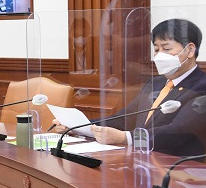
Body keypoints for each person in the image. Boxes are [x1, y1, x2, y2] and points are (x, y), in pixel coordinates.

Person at [52, 18, 206, 156]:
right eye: (156, 49)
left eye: (166, 49)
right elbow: (127, 117)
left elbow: (179, 132)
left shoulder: (201, 86)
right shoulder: (156, 83)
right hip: (141, 160)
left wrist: (126, 138)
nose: (159, 56)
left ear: (190, 50)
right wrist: (79, 127)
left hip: (178, 169)